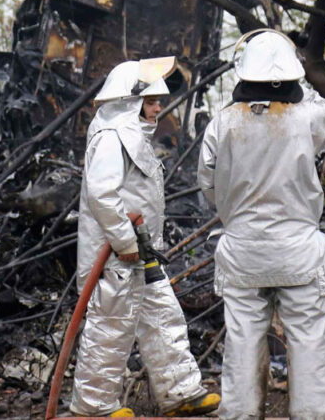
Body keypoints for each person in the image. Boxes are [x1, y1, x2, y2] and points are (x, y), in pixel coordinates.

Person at [196, 29, 325, 420]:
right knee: (309, 340)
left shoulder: (222, 123)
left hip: (242, 249)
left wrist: (235, 209)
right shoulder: (311, 116)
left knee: (242, 342)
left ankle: (241, 414)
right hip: (298, 251)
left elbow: (207, 185)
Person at [70, 57, 220, 418]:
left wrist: (135, 244)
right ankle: (93, 410)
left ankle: (180, 393)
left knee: (163, 318)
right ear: (129, 101)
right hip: (115, 259)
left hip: (139, 252)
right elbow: (103, 196)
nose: (157, 109)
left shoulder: (130, 136)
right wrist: (123, 242)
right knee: (110, 329)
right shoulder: (110, 138)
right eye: (151, 102)